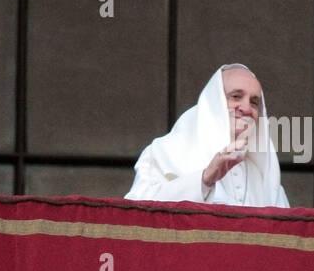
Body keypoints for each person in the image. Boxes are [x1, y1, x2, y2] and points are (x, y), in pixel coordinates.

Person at [124, 63, 290, 207]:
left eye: (254, 102)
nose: (246, 108)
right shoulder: (162, 152)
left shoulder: (264, 175)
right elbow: (136, 212)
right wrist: (204, 179)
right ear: (214, 102)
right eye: (236, 97)